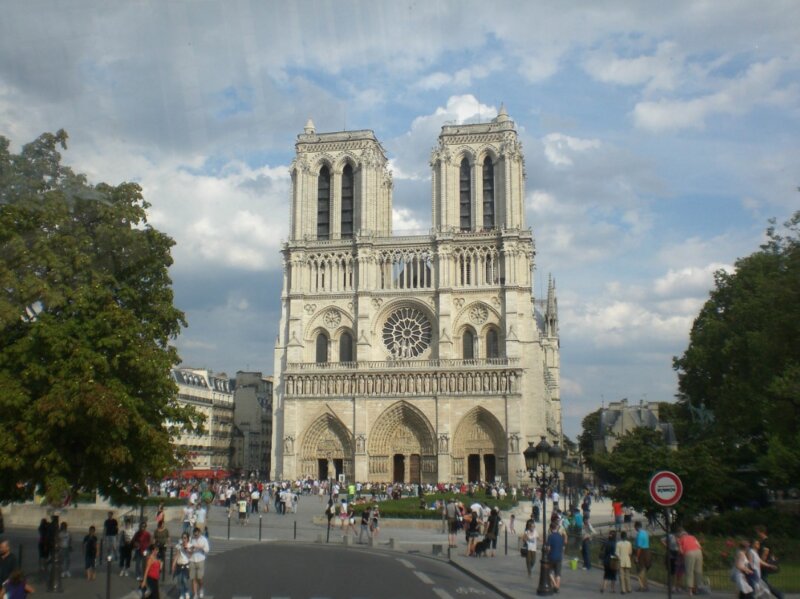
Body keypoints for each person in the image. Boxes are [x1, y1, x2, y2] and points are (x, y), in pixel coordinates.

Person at [755, 525, 783, 599]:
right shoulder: (762, 541)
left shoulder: (766, 542)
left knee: (763, 582)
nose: (757, 533)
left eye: (757, 532)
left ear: (762, 532)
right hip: (763, 564)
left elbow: (765, 553)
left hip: (764, 565)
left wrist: (760, 563)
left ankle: (779, 595)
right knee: (762, 581)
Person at [677, 529, 703, 596]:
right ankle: (697, 589)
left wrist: (683, 555)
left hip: (689, 553)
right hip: (698, 552)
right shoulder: (693, 537)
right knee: (698, 571)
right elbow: (700, 546)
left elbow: (680, 550)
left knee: (689, 571)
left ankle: (690, 591)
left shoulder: (680, 539)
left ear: (681, 535)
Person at [188, 526, 209, 599]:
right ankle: (195, 594)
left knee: (199, 578)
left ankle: (201, 589)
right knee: (193, 578)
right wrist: (191, 549)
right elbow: (189, 549)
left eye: (197, 535)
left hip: (200, 560)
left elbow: (207, 550)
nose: (196, 536)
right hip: (192, 560)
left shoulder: (204, 539)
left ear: (199, 533)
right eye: (195, 535)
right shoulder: (191, 539)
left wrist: (200, 547)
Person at [545, 521, 565, 592]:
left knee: (549, 571)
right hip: (559, 557)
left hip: (551, 557)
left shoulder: (550, 536)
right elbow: (563, 548)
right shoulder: (560, 537)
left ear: (550, 528)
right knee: (558, 573)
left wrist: (547, 551)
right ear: (556, 528)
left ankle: (555, 585)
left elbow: (548, 548)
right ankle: (557, 587)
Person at [171, 532, 192, 599]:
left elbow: (191, 555)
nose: (183, 539)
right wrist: (173, 564)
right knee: (179, 581)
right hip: (179, 565)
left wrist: (187, 549)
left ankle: (186, 591)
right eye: (183, 538)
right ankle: (182, 593)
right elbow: (176, 555)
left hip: (186, 566)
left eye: (185, 538)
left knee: (185, 580)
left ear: (188, 539)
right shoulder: (179, 546)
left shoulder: (190, 545)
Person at [633, 520, 651, 591]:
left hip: (642, 553)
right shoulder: (645, 533)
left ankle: (642, 586)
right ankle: (645, 585)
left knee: (640, 570)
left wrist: (637, 557)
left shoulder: (639, 534)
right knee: (644, 570)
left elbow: (639, 548)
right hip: (647, 551)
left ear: (636, 527)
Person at [616, 530, 633, 594]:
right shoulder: (629, 543)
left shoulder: (618, 544)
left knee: (621, 576)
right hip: (627, 561)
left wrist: (619, 558)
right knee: (627, 576)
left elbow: (617, 553)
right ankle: (629, 588)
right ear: (626, 537)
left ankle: (623, 590)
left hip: (621, 561)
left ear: (621, 537)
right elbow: (630, 553)